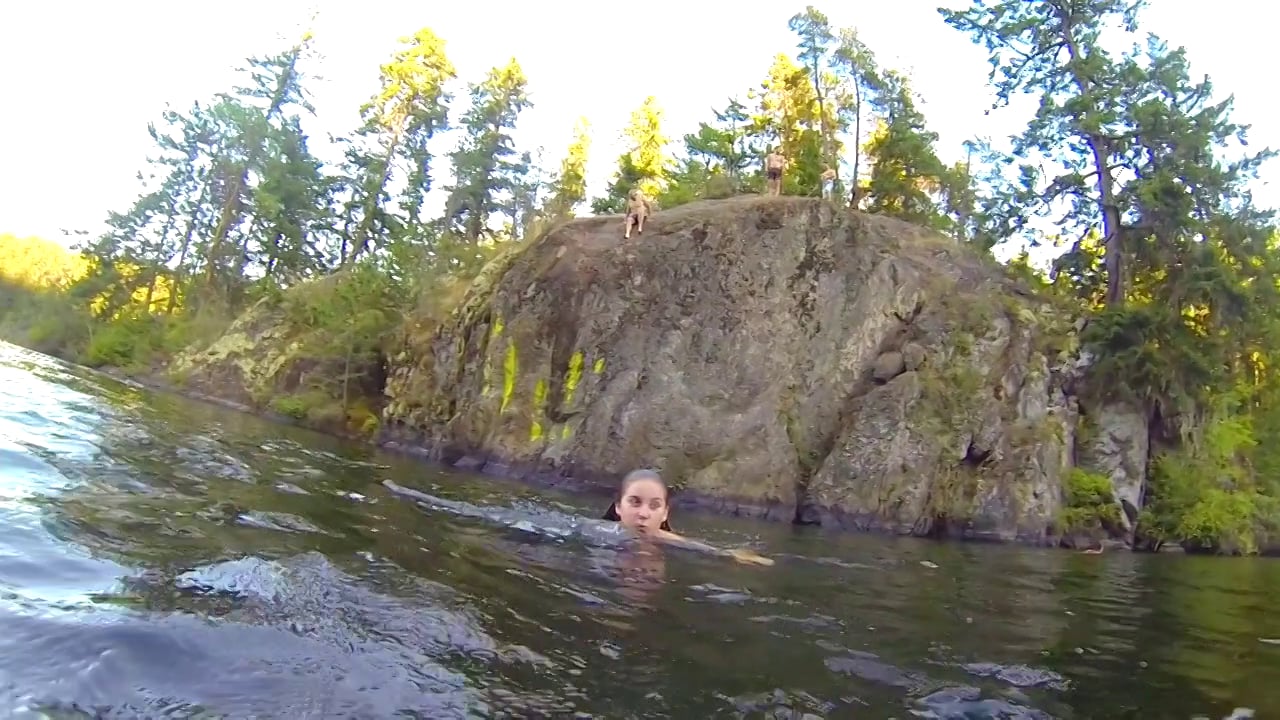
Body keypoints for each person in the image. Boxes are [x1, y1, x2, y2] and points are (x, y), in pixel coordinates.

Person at [602, 469, 774, 566]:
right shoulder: (597, 531)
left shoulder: (667, 540)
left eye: (654, 506)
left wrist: (733, 555)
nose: (643, 514)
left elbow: (703, 549)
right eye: (635, 502)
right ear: (618, 506)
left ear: (665, 513)